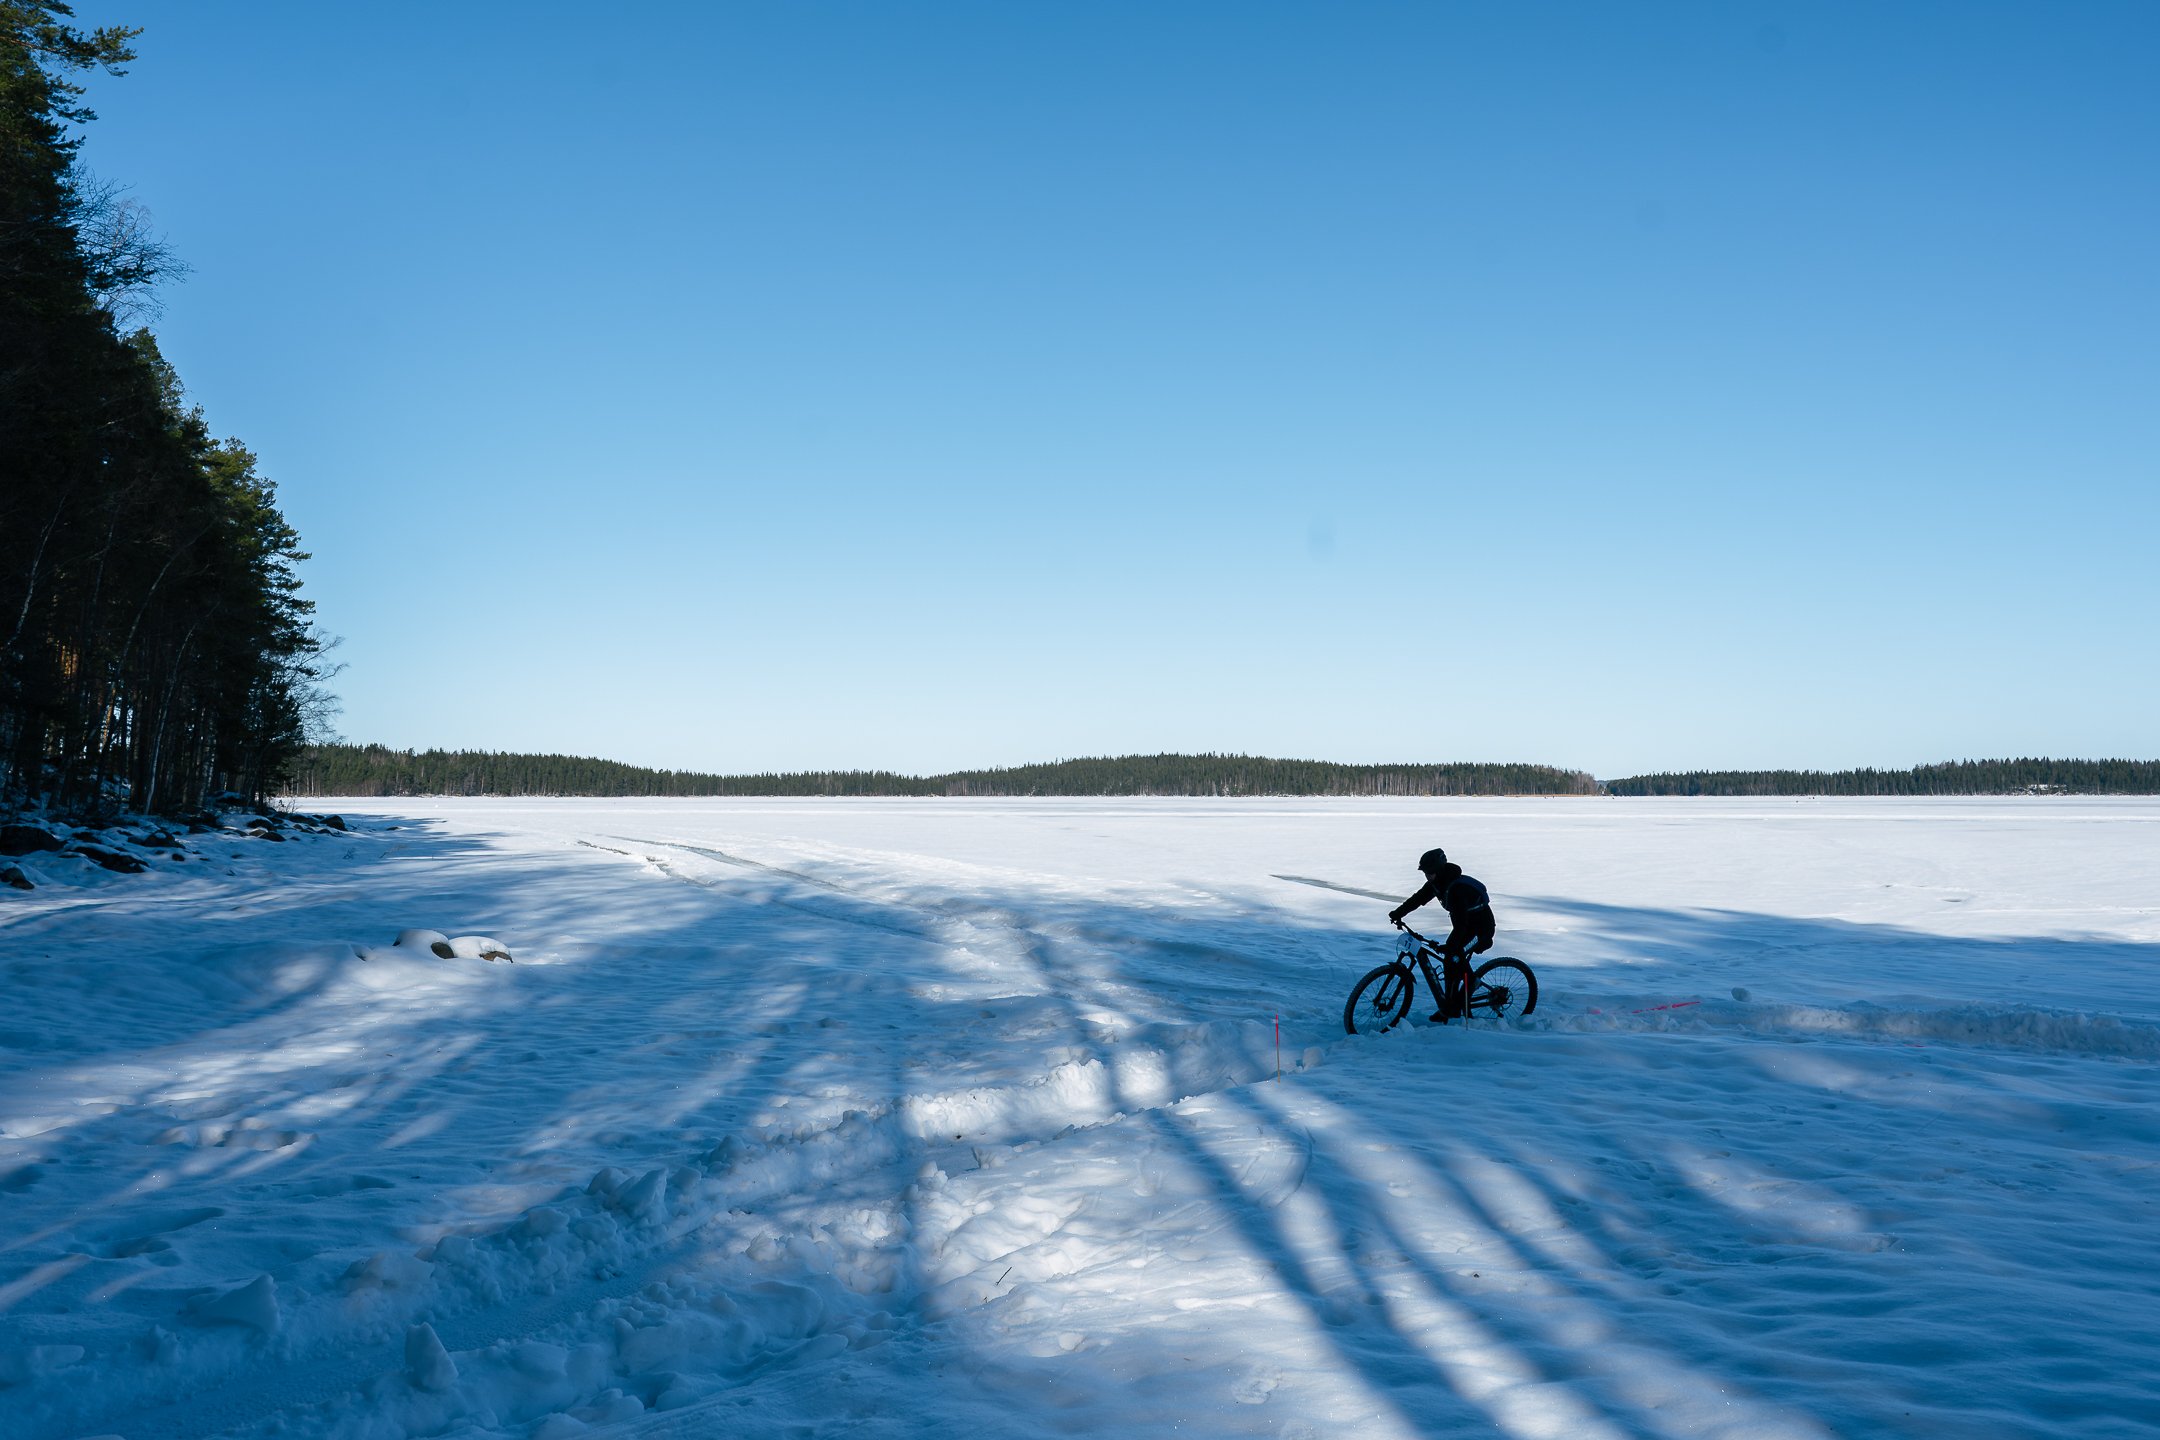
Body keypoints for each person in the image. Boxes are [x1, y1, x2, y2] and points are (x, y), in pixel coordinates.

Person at [1388, 847, 1495, 1019]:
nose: (1427, 876)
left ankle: (1471, 984)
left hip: (1481, 930)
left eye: (1430, 872)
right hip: (1464, 927)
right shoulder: (1436, 884)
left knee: (1454, 956)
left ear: (1439, 870)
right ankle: (1450, 1006)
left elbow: (1461, 923)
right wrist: (1398, 913)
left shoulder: (1456, 889)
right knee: (1450, 961)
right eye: (1425, 872)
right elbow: (1418, 899)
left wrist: (1452, 947)